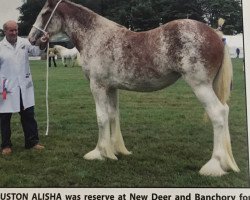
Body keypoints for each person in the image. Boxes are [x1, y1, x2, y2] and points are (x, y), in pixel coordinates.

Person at [0, 20, 49, 155]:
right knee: (4, 119)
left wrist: (43, 41)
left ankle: (32, 142)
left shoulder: (24, 43)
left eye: (16, 29)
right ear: (5, 31)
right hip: (6, 90)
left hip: (23, 87)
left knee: (28, 116)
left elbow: (37, 51)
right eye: (11, 30)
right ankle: (6, 145)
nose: (14, 32)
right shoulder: (0, 46)